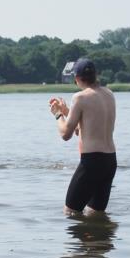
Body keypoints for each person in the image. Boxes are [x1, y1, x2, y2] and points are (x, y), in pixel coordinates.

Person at [49, 58, 117, 215]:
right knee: (95, 214)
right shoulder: (109, 94)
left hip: (92, 163)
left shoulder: (80, 97)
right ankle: (100, 239)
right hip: (109, 161)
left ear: (77, 78)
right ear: (96, 75)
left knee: (70, 212)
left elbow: (66, 134)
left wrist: (58, 114)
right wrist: (67, 111)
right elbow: (84, 128)